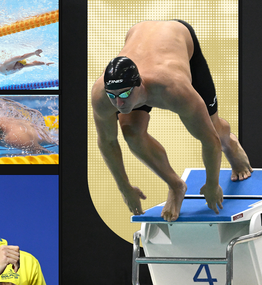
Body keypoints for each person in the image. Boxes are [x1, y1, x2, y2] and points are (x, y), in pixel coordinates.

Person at [91, 20, 253, 222]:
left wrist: (212, 183)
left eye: (123, 95)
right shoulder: (102, 95)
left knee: (215, 131)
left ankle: (230, 142)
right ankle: (176, 186)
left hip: (178, 38)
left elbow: (209, 141)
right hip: (138, 35)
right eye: (112, 96)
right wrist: (124, 187)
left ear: (139, 84)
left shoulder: (174, 89)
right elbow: (107, 142)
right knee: (131, 133)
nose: (117, 103)